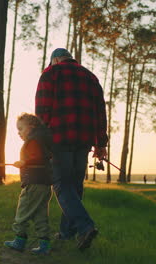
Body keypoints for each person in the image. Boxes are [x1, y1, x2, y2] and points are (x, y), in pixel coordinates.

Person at [35, 48, 108, 251]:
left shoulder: (50, 74)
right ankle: (67, 233)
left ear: (56, 59)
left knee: (61, 184)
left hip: (58, 138)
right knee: (75, 186)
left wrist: (40, 141)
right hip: (84, 140)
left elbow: (41, 111)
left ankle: (85, 226)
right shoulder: (91, 77)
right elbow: (101, 112)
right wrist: (101, 143)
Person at [4, 113, 53, 255]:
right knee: (40, 215)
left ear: (31, 127)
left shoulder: (33, 140)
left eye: (20, 129)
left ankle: (19, 241)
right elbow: (43, 158)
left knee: (22, 211)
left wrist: (24, 162)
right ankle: (44, 246)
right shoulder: (42, 139)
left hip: (34, 183)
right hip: (44, 184)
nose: (18, 133)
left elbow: (37, 158)